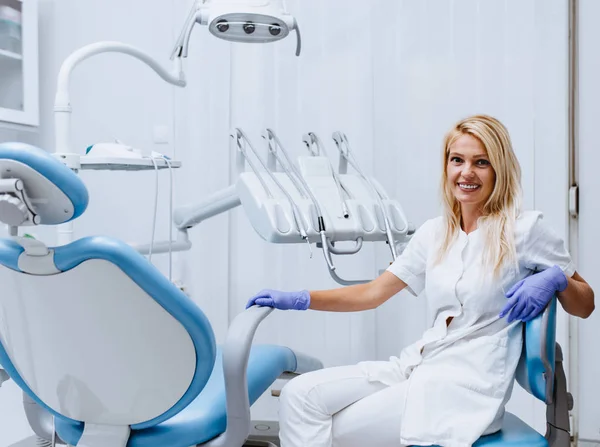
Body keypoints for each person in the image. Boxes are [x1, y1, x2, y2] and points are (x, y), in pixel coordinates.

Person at [245, 115, 595, 447]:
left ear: (499, 168)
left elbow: (586, 304)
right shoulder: (435, 233)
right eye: (457, 160)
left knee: (331, 430)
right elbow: (372, 293)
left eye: (481, 162)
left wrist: (556, 278)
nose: (466, 172)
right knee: (299, 395)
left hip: (463, 386)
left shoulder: (525, 230)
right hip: (420, 364)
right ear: (446, 166)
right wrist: (299, 298)